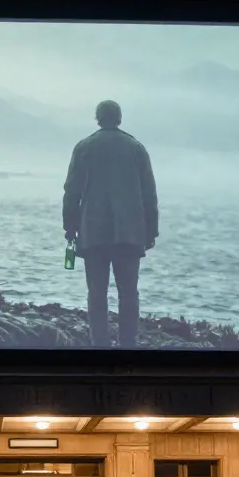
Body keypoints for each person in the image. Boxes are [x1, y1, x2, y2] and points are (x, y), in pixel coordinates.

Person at [61, 99, 159, 348]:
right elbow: (149, 194)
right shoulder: (136, 147)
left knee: (96, 293)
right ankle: (128, 344)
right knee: (129, 293)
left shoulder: (84, 147)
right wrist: (151, 230)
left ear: (98, 118)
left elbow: (71, 192)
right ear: (119, 118)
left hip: (93, 232)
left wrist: (70, 227)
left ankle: (100, 345)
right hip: (130, 233)